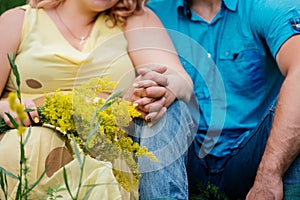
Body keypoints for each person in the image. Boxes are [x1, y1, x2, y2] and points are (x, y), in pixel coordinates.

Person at [0, 0, 193, 199]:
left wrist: (161, 88)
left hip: (104, 149)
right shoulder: (19, 21)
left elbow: (180, 80)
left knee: (166, 109)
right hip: (29, 142)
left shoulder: (133, 19)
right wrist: (5, 106)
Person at [132, 0, 300, 199]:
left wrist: (269, 175)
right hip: (186, 160)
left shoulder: (267, 6)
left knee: (294, 107)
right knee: (159, 107)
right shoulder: (153, 15)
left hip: (254, 156)